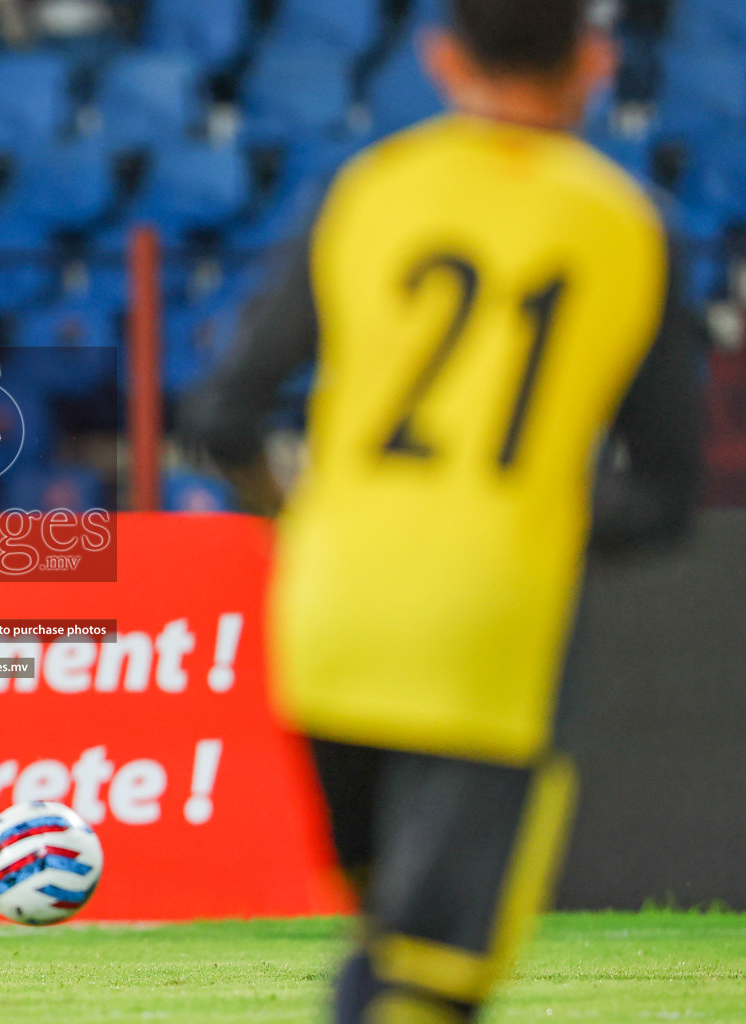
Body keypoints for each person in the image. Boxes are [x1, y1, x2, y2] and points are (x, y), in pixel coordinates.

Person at [182, 1, 704, 1020]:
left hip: (333, 612)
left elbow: (224, 414)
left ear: (441, 57)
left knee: (383, 944)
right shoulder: (625, 224)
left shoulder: (371, 189)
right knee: (432, 975)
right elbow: (664, 491)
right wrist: (541, 517)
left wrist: (300, 515)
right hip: (492, 628)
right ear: (593, 64)